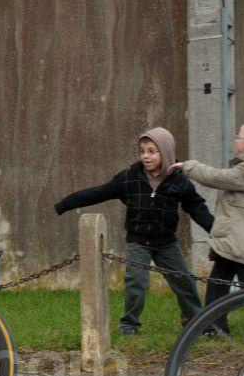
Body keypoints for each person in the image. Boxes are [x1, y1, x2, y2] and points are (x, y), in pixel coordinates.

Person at [54, 127, 214, 335]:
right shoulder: (130, 178)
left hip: (166, 243)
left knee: (185, 281)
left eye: (151, 151)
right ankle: (129, 324)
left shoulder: (178, 180)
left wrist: (214, 229)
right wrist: (66, 204)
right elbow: (99, 192)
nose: (145, 156)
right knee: (136, 283)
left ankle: (194, 321)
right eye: (142, 151)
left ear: (165, 152)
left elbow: (197, 207)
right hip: (138, 242)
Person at [169, 117, 244, 331]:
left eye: (238, 136)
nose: (235, 139)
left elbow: (216, 177)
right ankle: (214, 328)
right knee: (217, 284)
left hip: (242, 243)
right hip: (232, 241)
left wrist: (188, 166)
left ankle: (214, 326)